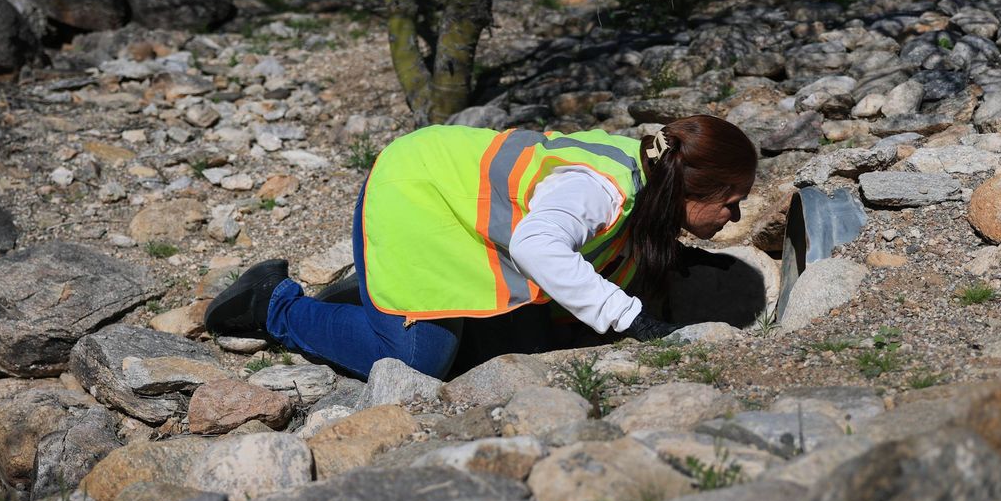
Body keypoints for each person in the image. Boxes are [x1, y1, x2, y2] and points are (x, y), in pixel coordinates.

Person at [205, 114, 757, 380]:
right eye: (730, 201)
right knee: (419, 361)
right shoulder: (602, 189)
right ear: (691, 188)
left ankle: (370, 298)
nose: (735, 216)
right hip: (417, 189)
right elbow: (538, 245)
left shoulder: (651, 183)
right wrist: (632, 321)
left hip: (463, 212)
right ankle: (272, 304)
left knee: (530, 335)